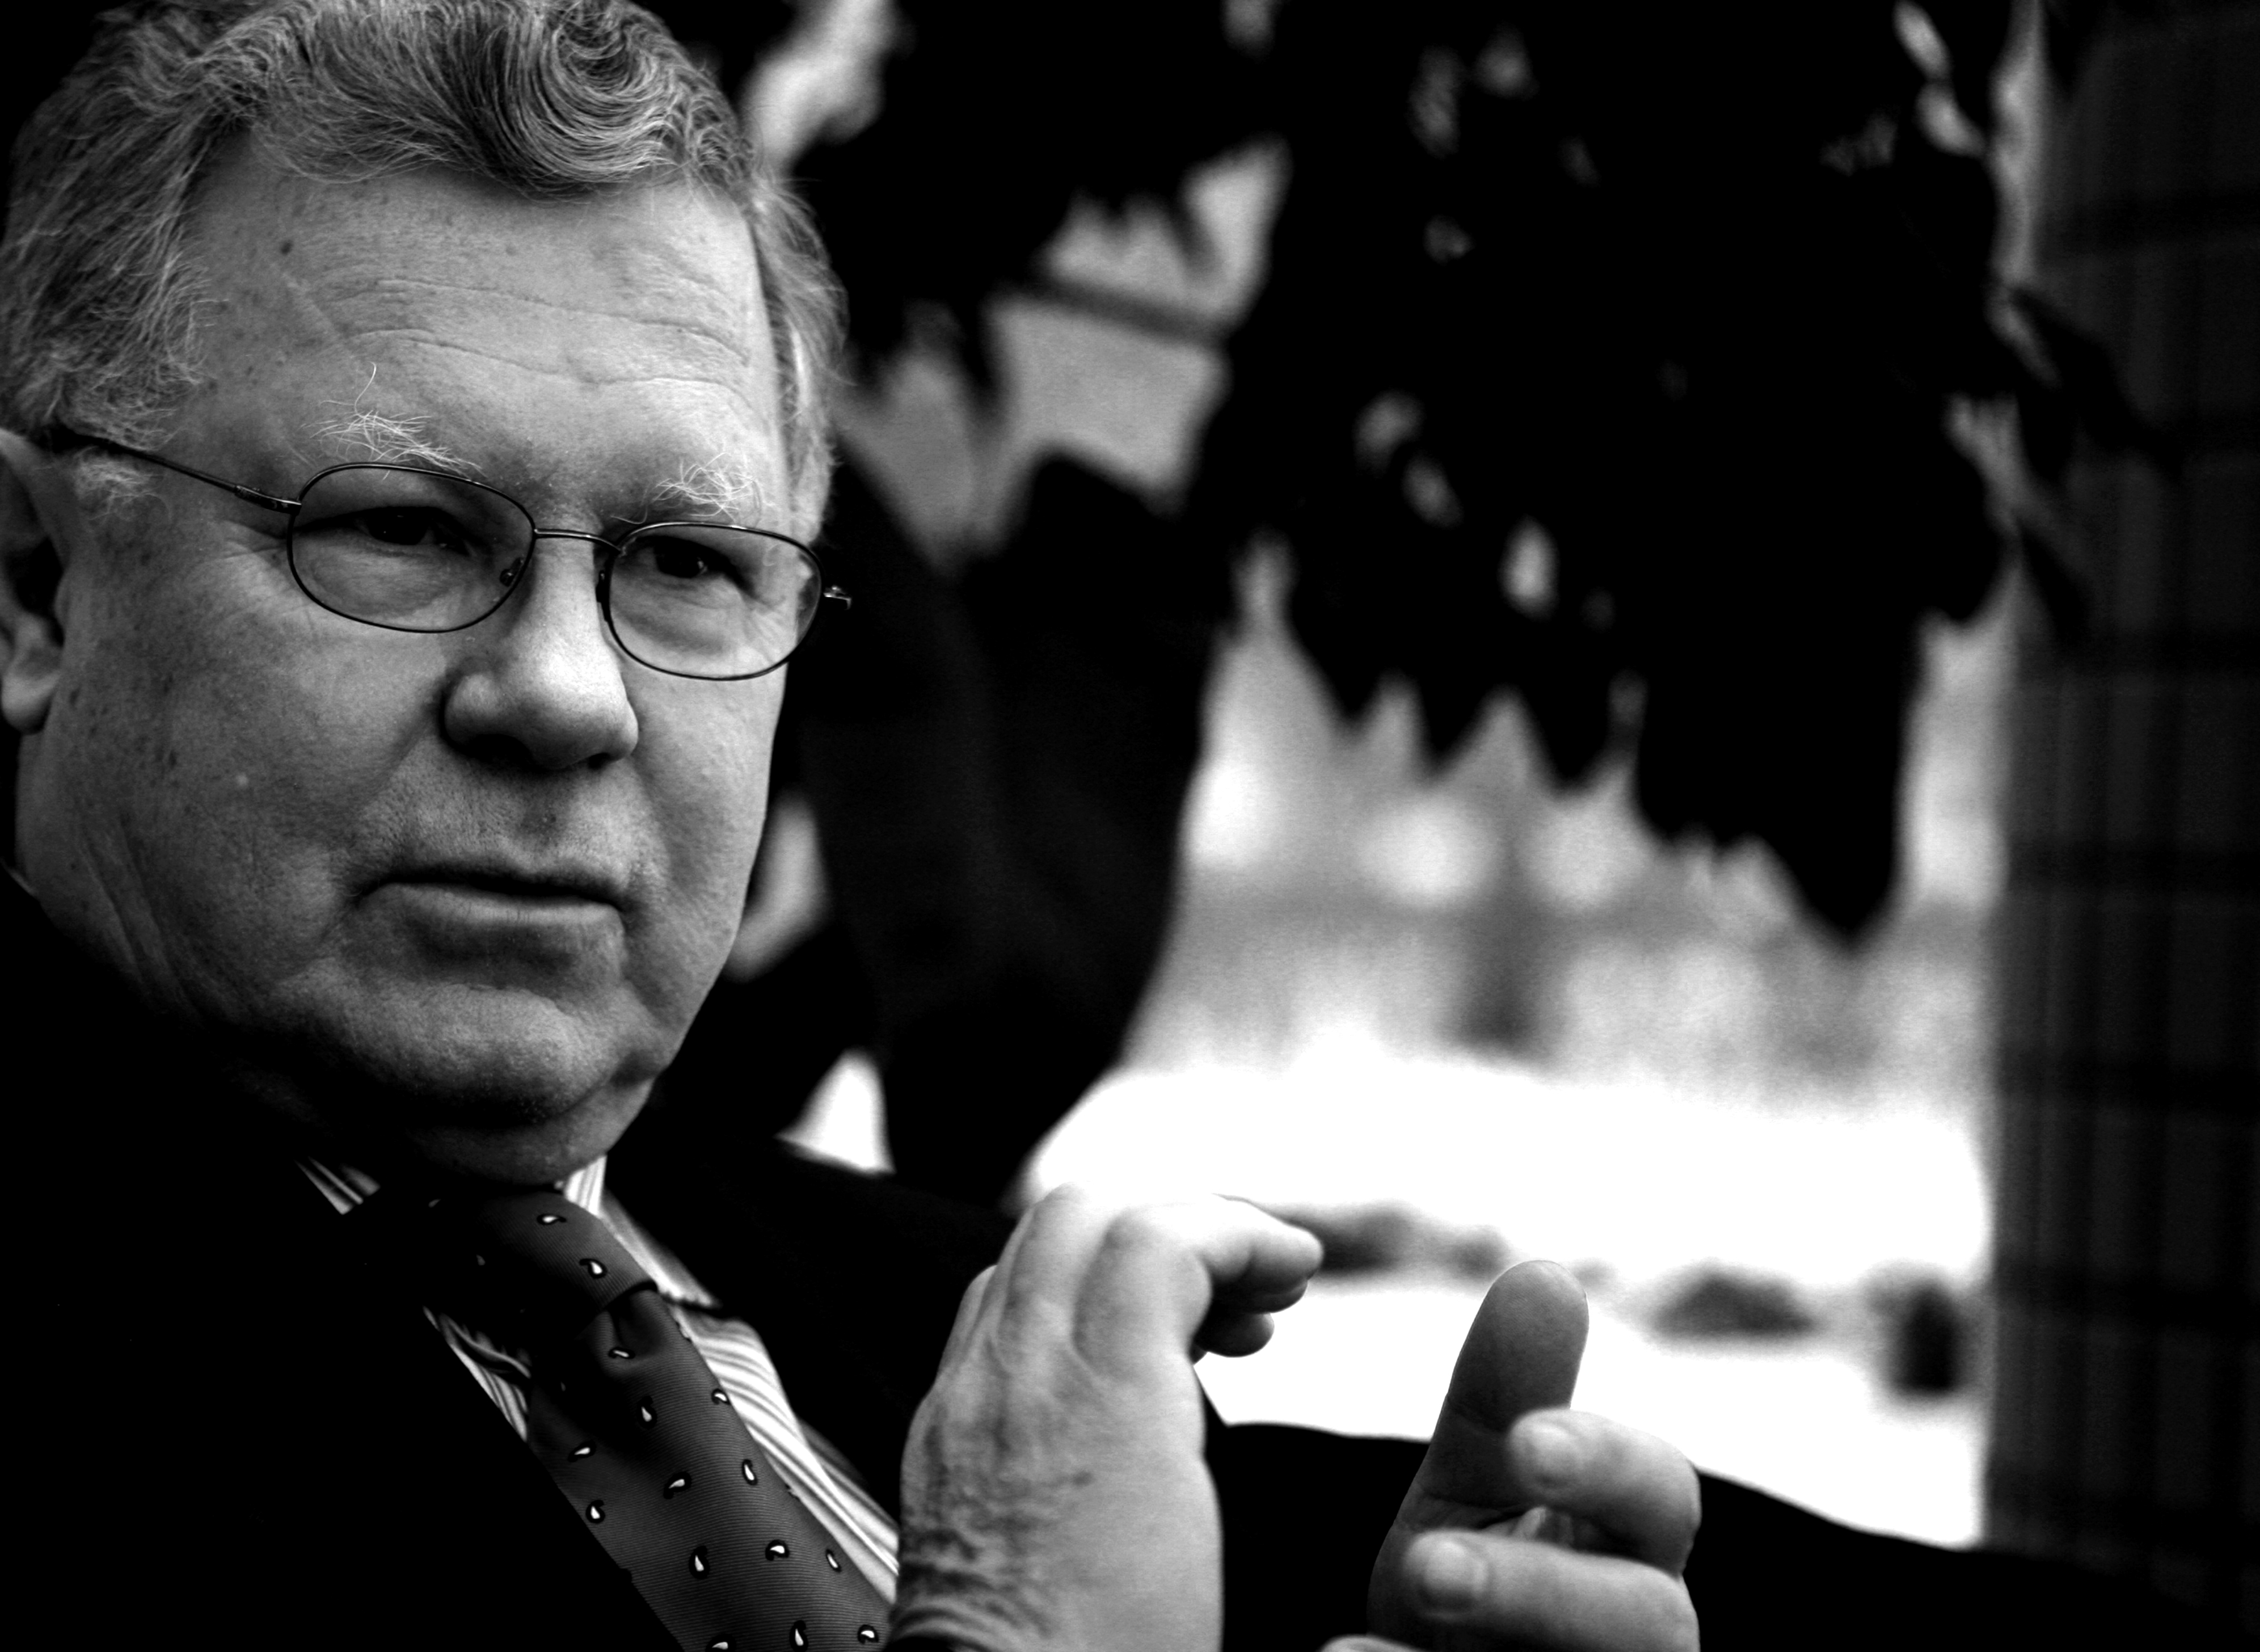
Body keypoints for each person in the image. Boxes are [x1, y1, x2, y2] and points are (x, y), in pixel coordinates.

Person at [0, 4, 1700, 1649]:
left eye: (687, 560)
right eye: (399, 530)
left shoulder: (981, 1352)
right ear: (33, 588)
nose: (571, 695)